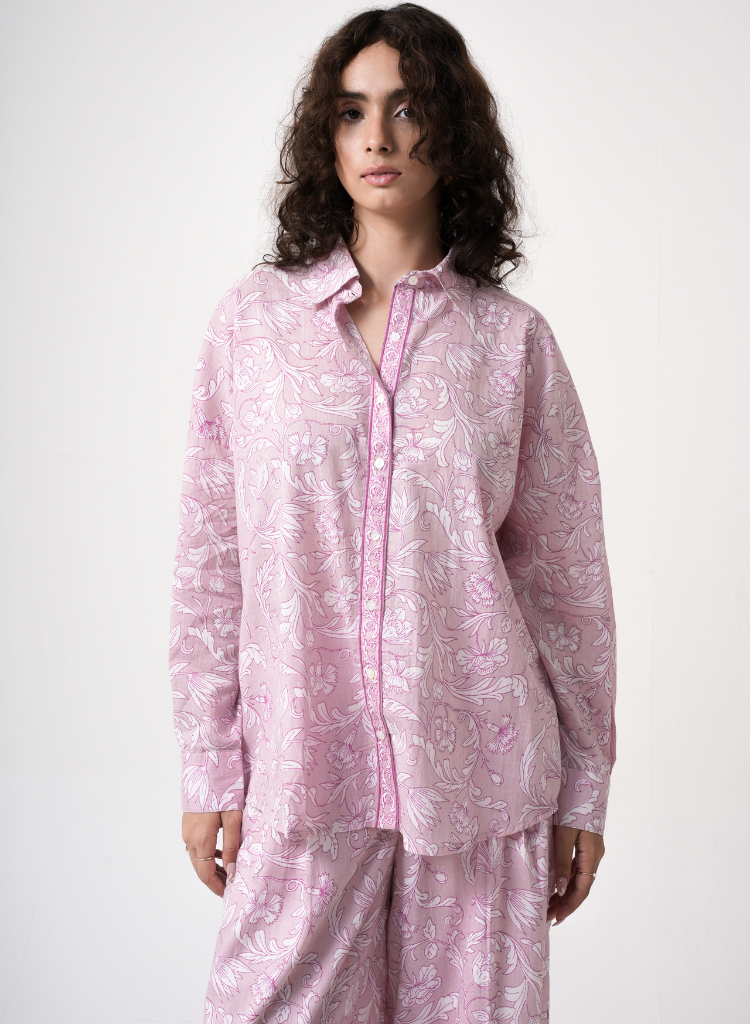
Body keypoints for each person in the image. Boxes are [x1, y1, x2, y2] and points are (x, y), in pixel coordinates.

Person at [170, 4, 616, 1022]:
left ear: (450, 131)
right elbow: (211, 562)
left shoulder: (512, 344)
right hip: (301, 774)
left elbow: (566, 584)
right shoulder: (253, 329)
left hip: (482, 787)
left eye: (407, 109)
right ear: (325, 137)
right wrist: (210, 764)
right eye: (351, 111)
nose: (377, 136)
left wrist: (585, 787)